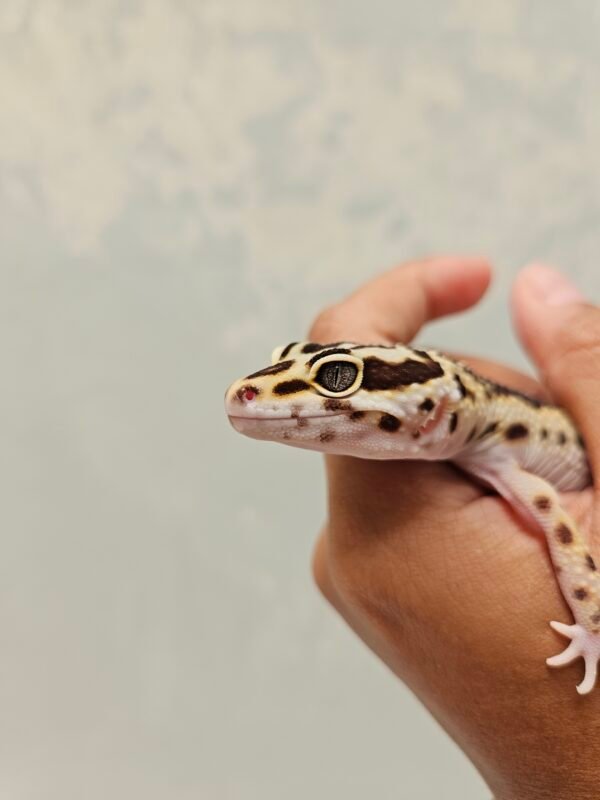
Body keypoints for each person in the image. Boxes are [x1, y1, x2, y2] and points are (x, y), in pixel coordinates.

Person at [308, 257, 600, 800]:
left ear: (436, 403)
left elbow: (566, 535)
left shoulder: (500, 460)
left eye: (335, 380)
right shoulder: (470, 443)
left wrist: (592, 628)